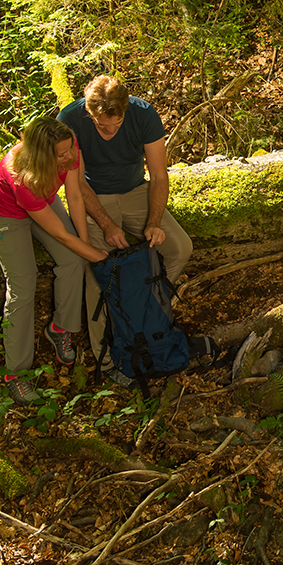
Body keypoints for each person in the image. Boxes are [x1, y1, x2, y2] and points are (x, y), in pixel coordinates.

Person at [57, 75, 193, 386]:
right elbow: (75, 185)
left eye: (115, 124)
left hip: (136, 192)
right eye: (101, 125)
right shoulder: (70, 119)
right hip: (93, 198)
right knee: (96, 277)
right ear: (89, 113)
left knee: (179, 247)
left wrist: (154, 221)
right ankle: (106, 360)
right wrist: (105, 224)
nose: (109, 131)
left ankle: (142, 307)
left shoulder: (143, 115)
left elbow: (159, 176)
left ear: (126, 110)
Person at [0, 116, 108, 404]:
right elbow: (62, 235)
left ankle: (60, 328)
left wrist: (86, 247)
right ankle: (16, 372)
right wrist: (98, 256)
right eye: (61, 154)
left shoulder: (69, 146)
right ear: (42, 155)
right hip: (7, 213)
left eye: (69, 150)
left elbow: (75, 197)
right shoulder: (21, 176)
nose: (69, 156)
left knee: (74, 260)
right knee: (23, 286)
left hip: (44, 198)